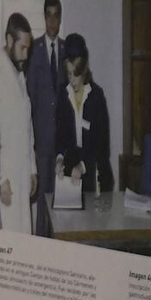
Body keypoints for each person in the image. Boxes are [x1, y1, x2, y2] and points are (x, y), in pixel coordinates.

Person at [23, 0, 67, 236]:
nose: (52, 21)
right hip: (40, 141)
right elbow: (28, 99)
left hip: (60, 142)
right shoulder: (35, 50)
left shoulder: (66, 49)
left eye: (56, 16)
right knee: (41, 200)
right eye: (48, 15)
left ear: (60, 18)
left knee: (59, 200)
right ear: (44, 17)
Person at [51, 33, 113, 196]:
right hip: (71, 175)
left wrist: (83, 165)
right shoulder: (63, 95)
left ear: (84, 69)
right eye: (69, 74)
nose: (72, 80)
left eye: (76, 74)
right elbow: (61, 136)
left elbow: (102, 145)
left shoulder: (97, 96)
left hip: (95, 172)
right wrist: (59, 158)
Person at [0, 12, 37, 234]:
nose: (26, 54)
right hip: (8, 178)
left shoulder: (20, 75)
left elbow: (27, 127)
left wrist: (32, 169)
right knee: (9, 238)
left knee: (24, 233)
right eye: (22, 48)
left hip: (23, 172)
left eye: (28, 48)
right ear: (10, 40)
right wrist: (0, 179)